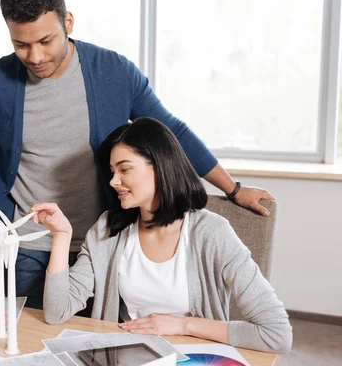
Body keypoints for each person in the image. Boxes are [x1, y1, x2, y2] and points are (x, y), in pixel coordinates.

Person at [0, 0, 275, 309]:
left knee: (104, 344)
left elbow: (172, 133)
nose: (35, 56)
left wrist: (233, 189)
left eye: (46, 41)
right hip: (28, 244)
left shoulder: (114, 72)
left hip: (104, 242)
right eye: (21, 45)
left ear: (68, 22)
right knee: (30, 344)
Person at [30, 117, 292, 353]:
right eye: (112, 171)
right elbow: (56, 312)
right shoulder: (108, 229)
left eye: (124, 169)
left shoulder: (211, 233)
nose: (113, 181)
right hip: (128, 355)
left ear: (159, 166)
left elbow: (276, 334)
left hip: (193, 355)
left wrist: (182, 325)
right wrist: (62, 236)